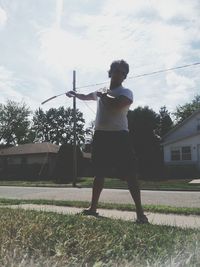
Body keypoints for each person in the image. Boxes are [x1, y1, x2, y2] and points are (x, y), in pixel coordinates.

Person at [66, 59, 148, 223]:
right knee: (99, 173)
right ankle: (93, 208)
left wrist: (104, 95)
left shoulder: (126, 92)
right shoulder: (102, 91)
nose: (118, 74)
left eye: (122, 72)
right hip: (101, 136)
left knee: (130, 174)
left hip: (120, 136)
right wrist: (75, 94)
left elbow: (116, 106)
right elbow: (88, 96)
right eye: (116, 70)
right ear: (110, 72)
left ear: (125, 76)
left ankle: (140, 214)